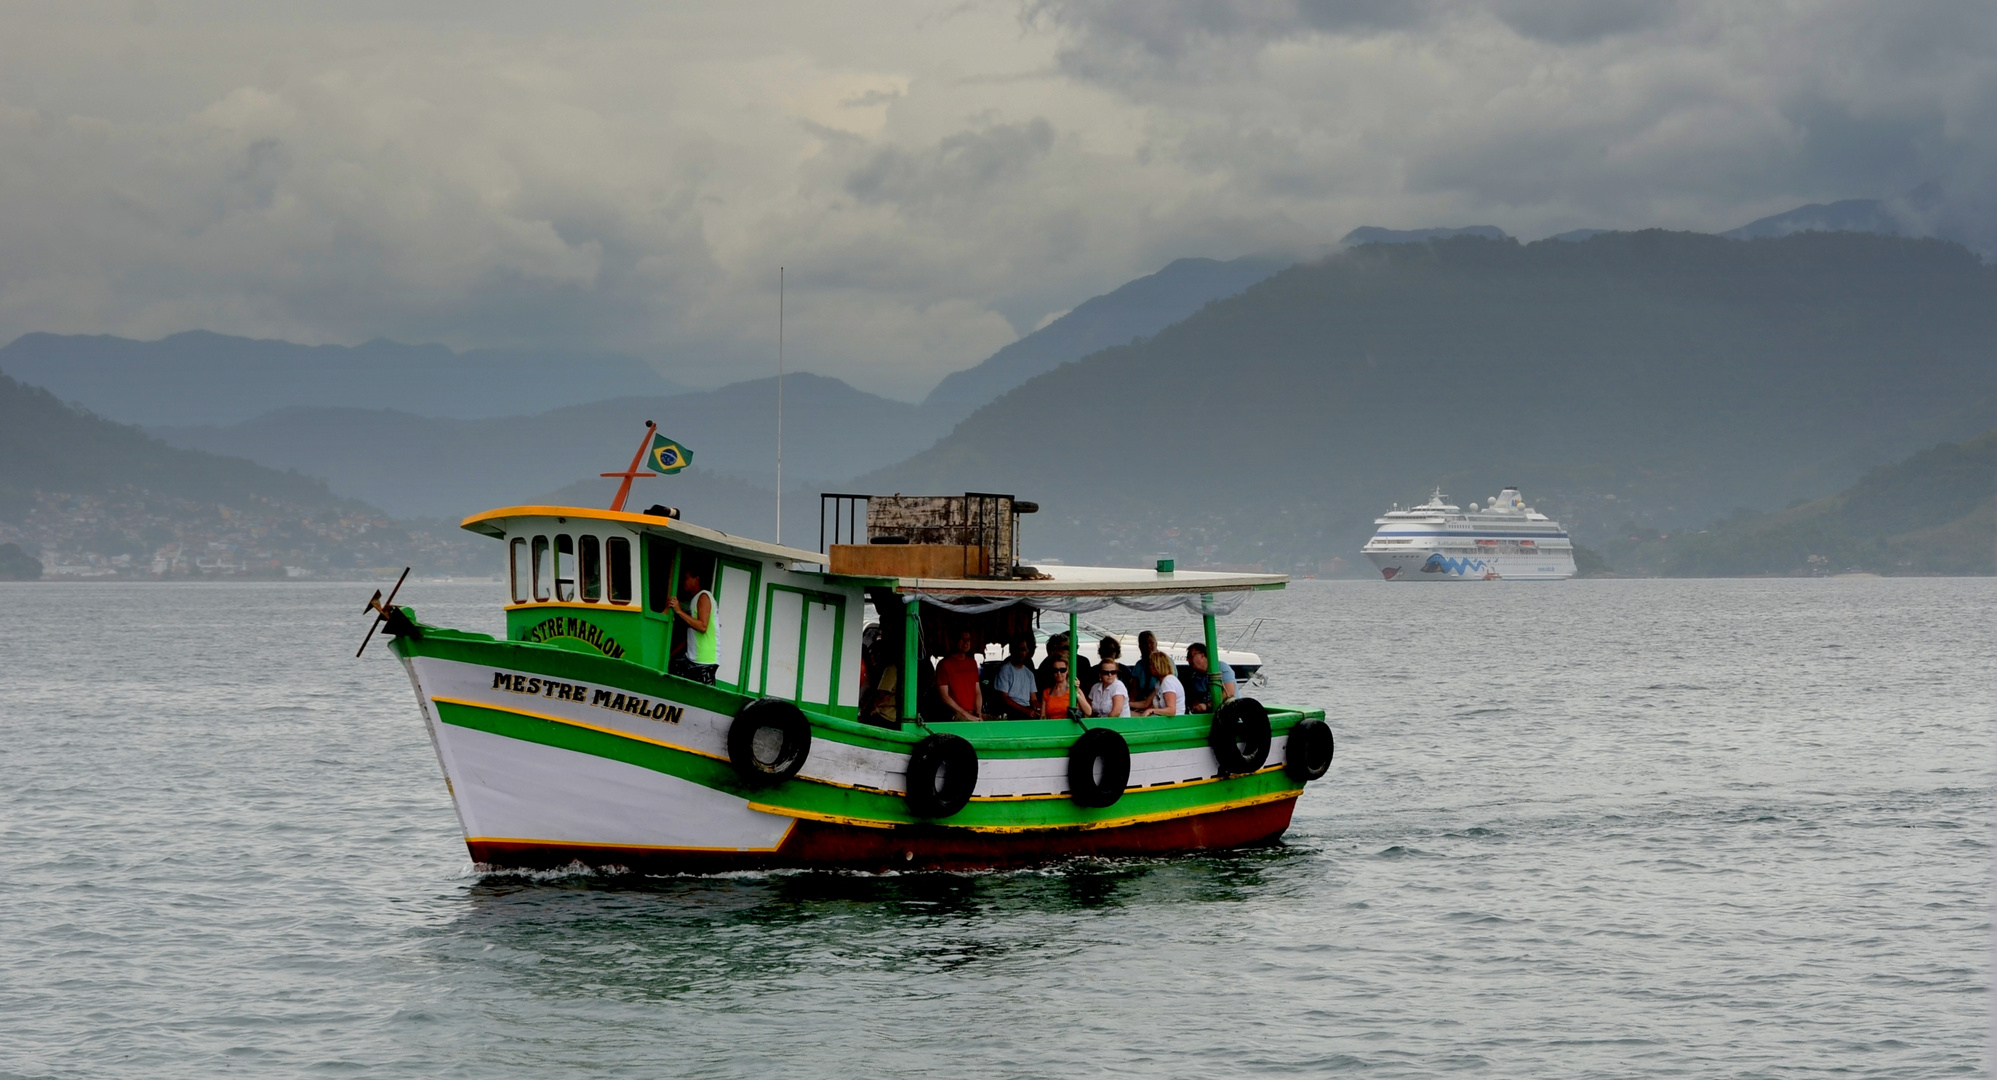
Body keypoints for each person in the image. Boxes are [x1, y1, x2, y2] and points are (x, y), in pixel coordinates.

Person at [667, 568, 718, 684]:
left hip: (705, 660)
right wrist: (671, 654)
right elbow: (689, 636)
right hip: (693, 658)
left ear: (696, 579)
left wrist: (679, 611)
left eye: (686, 578)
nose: (682, 582)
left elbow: (702, 627)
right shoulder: (694, 600)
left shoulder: (703, 597)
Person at [935, 629, 984, 722]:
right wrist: (965, 714)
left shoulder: (972, 663)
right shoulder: (944, 664)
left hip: (973, 712)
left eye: (968, 639)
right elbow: (944, 696)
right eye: (962, 639)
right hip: (954, 713)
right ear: (954, 641)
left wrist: (979, 713)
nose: (966, 643)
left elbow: (977, 690)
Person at [990, 633, 1040, 719]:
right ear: (1011, 650)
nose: (1020, 652)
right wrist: (1025, 710)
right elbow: (1004, 698)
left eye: (1023, 649)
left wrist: (1042, 709)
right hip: (1011, 711)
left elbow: (1033, 699)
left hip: (1026, 710)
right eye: (1017, 649)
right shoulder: (1005, 670)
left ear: (1028, 652)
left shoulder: (1029, 674)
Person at [1185, 642, 1237, 713]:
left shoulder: (1221, 668)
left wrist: (1207, 705)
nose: (1187, 660)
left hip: (1228, 711)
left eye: (1190, 656)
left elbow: (1229, 692)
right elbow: (1198, 697)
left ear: (1202, 655)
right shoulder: (1195, 677)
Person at [1123, 630, 1162, 712]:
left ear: (1156, 644)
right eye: (1144, 644)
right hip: (1141, 704)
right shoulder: (1139, 665)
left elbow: (1147, 703)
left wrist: (1124, 704)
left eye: (1151, 643)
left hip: (1158, 705)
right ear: (1140, 647)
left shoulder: (1165, 664)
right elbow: (1134, 692)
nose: (1148, 646)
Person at [1139, 651, 1184, 716]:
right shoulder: (1159, 683)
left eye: (1151, 664)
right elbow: (1146, 703)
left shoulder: (1168, 682)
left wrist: (1151, 711)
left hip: (1173, 722)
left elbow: (1171, 711)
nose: (1149, 667)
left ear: (1157, 666)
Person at [1040, 655, 1074, 719]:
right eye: (1055, 670)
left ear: (1067, 671)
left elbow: (1088, 712)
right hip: (1051, 727)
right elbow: (1042, 717)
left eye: (1062, 670)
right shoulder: (1046, 692)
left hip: (1069, 727)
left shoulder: (1073, 690)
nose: (1059, 673)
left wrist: (1077, 692)